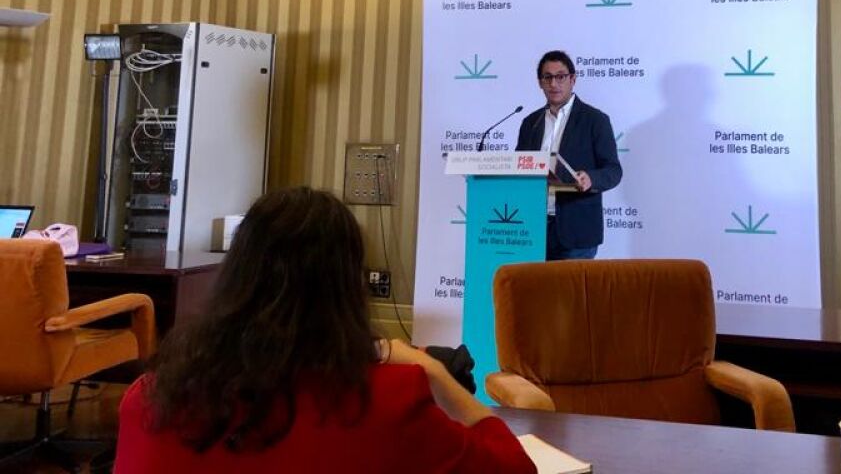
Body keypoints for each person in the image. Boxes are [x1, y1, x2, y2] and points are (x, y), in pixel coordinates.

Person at [114, 187, 535, 474]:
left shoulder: (147, 400)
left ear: (235, 277)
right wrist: (436, 374)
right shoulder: (392, 403)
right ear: (347, 287)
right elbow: (515, 467)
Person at [516, 50, 623, 260]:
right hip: (533, 228)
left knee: (572, 285)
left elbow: (613, 170)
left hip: (577, 231)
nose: (554, 84)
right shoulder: (530, 123)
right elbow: (519, 167)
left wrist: (591, 178)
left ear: (573, 79)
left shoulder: (595, 120)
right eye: (547, 77)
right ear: (540, 83)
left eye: (561, 76)